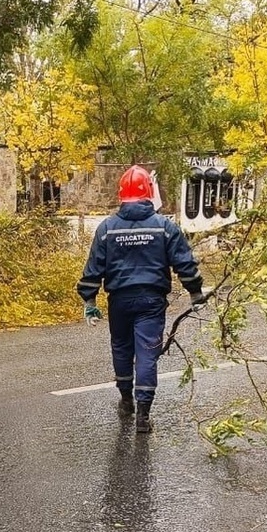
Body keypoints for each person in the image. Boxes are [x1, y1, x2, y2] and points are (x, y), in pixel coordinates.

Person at [77, 165, 205, 434]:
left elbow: (93, 268)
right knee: (147, 354)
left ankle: (126, 401)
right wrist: (195, 293)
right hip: (151, 301)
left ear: (121, 194)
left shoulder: (107, 228)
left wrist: (89, 301)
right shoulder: (165, 227)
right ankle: (143, 415)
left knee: (122, 349)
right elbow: (184, 263)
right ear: (149, 192)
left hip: (120, 301)